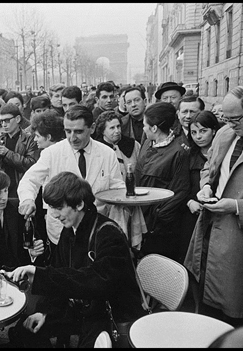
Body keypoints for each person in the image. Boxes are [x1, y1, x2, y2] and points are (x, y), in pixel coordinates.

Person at [6, 172, 146, 348]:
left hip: (109, 314)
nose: (54, 214)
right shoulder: (69, 229)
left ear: (79, 204)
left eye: (58, 207)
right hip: (84, 308)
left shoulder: (109, 234)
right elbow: (60, 269)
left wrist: (40, 275)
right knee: (25, 329)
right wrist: (45, 312)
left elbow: (95, 282)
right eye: (51, 207)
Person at [184, 86, 243, 327]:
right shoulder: (224, 134)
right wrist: (205, 187)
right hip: (207, 234)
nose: (230, 125)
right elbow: (208, 168)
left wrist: (238, 206)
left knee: (237, 317)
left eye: (235, 119)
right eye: (225, 119)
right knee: (205, 308)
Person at [17, 104, 125, 251]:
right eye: (68, 131)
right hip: (61, 231)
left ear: (92, 128)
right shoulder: (52, 153)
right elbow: (29, 180)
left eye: (78, 131)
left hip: (96, 231)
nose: (72, 138)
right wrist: (28, 200)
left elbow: (118, 190)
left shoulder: (107, 154)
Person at [135, 102, 190, 261]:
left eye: (145, 125)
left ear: (154, 128)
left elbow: (180, 190)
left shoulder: (178, 153)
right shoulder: (146, 143)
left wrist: (158, 216)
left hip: (161, 227)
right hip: (140, 216)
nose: (143, 128)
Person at [179, 111, 220, 264]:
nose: (198, 136)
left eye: (203, 131)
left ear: (214, 130)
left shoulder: (220, 154)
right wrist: (189, 202)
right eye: (194, 132)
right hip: (192, 211)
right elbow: (181, 185)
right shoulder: (187, 156)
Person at [29, 110, 65, 260]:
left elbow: (31, 178)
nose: (35, 140)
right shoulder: (53, 151)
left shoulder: (49, 153)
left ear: (49, 137)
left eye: (38, 136)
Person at [0, 103, 38, 198]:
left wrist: (7, 153)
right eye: (2, 121)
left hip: (22, 188)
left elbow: (30, 164)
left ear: (17, 119)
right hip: (3, 188)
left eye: (7, 120)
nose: (4, 125)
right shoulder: (1, 138)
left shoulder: (30, 138)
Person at [94, 110, 140, 179]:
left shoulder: (133, 145)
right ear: (103, 131)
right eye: (112, 128)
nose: (117, 131)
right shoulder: (97, 149)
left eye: (118, 126)